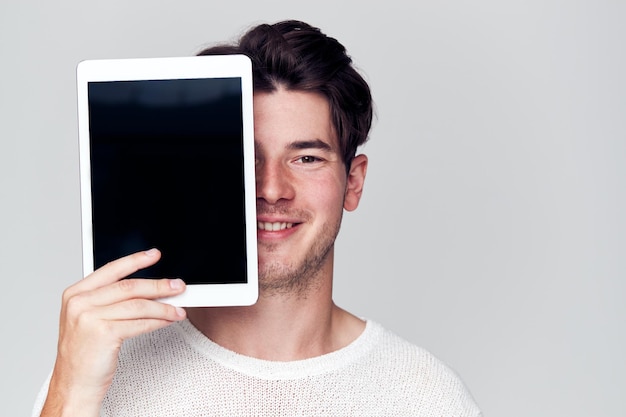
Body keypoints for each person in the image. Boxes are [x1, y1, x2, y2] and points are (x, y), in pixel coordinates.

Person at [33, 20, 482, 416]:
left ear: (353, 183)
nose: (271, 189)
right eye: (246, 160)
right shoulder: (100, 382)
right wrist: (70, 396)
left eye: (306, 158)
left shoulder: (426, 398)